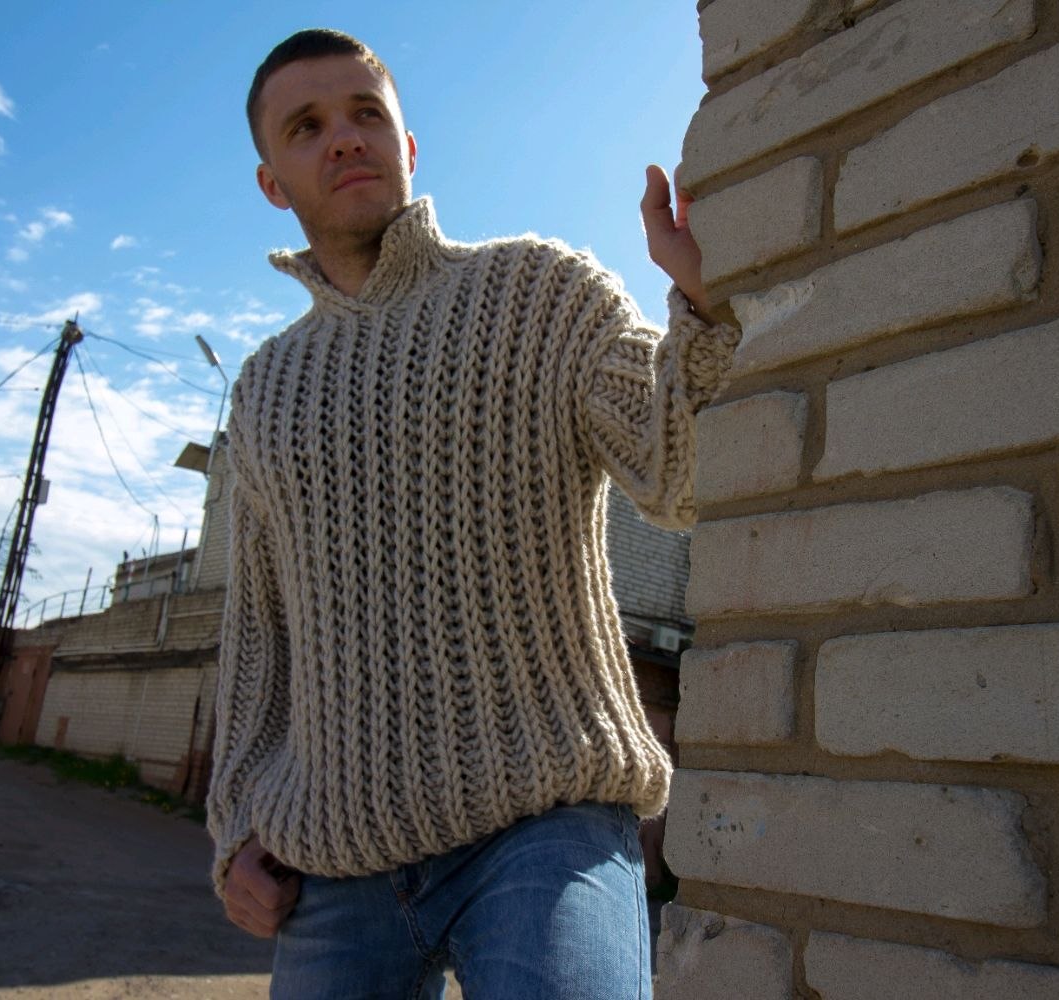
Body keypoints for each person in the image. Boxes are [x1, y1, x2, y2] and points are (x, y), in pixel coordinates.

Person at [207, 28, 738, 1000]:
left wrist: (703, 308)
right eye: (307, 126)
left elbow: (679, 479)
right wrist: (235, 823)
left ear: (408, 146)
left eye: (366, 113)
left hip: (547, 823)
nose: (344, 137)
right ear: (272, 183)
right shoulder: (266, 389)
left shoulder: (543, 291)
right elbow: (260, 632)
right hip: (335, 859)